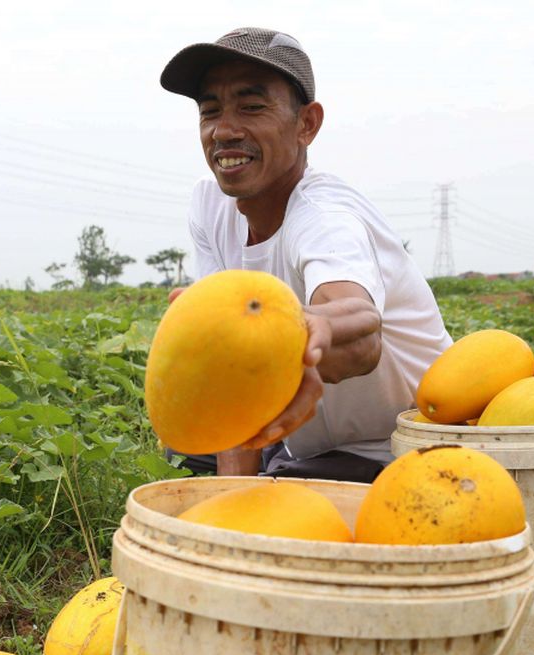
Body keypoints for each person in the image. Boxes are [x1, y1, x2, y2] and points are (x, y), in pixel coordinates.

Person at [159, 27, 451, 483]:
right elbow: (228, 366)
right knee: (189, 444)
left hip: (397, 448)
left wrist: (311, 329)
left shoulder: (324, 215)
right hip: (304, 436)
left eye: (252, 107)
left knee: (290, 493)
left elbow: (359, 327)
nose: (225, 130)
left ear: (306, 125)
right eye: (210, 110)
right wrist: (234, 496)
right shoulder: (209, 206)